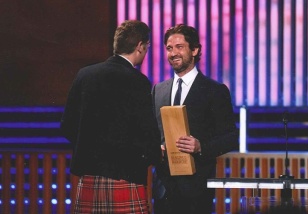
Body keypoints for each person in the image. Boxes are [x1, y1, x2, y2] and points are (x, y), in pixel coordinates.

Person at [60, 20, 162, 214]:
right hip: (126, 176)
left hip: (89, 177)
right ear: (140, 47)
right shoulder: (138, 82)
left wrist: (91, 149)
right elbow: (146, 134)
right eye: (146, 47)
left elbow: (67, 126)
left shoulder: (85, 75)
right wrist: (154, 154)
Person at [152, 24, 239, 214]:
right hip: (162, 189)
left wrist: (201, 147)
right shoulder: (158, 90)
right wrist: (154, 147)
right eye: (169, 48)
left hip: (196, 191)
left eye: (179, 47)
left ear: (195, 50)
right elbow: (150, 132)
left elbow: (231, 137)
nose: (173, 53)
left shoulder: (215, 91)